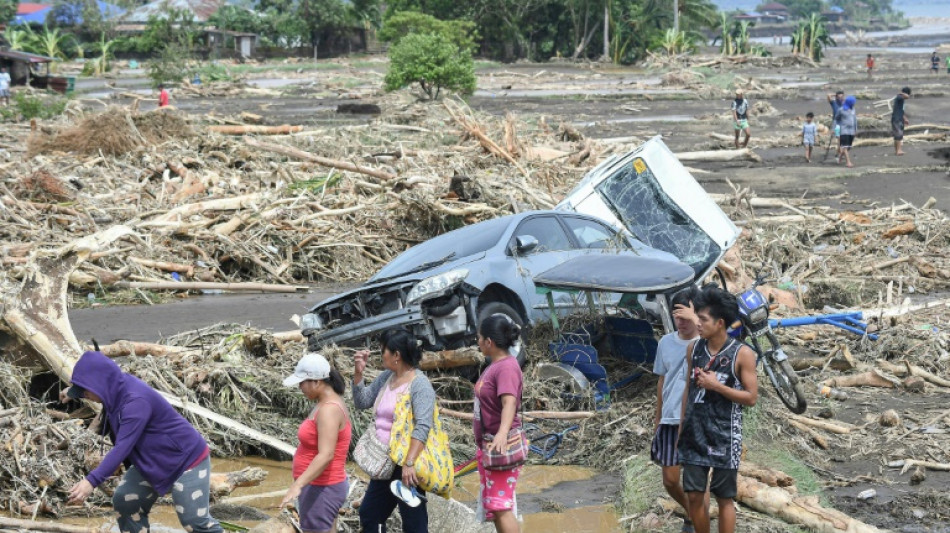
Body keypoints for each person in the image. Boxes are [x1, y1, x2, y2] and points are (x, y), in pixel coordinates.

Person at [61, 351, 223, 533]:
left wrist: (91, 482)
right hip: (154, 460)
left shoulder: (135, 402)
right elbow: (97, 390)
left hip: (187, 461)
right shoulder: (114, 388)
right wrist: (74, 392)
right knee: (126, 500)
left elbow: (122, 448)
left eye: (85, 391)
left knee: (193, 521)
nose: (85, 396)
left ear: (100, 385)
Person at [678, 287, 758, 533]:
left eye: (703, 319)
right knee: (693, 496)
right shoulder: (694, 349)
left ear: (720, 323)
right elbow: (688, 390)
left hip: (724, 434)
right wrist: (681, 427)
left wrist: (717, 386)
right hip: (694, 432)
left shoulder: (742, 354)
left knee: (724, 497)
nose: (697, 324)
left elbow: (751, 397)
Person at [353, 329, 436, 533]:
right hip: (385, 462)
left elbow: (423, 426)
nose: (382, 355)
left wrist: (409, 463)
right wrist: (358, 373)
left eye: (384, 351)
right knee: (370, 515)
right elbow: (362, 401)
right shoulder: (387, 377)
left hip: (407, 464)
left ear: (396, 355)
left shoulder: (420, 385)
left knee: (414, 524)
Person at [281, 352, 352, 533]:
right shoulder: (325, 402)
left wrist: (298, 485)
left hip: (323, 488)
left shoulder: (329, 409)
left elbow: (326, 454)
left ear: (317, 381)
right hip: (320, 487)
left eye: (302, 382)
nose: (300, 387)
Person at [652, 288, 700, 533]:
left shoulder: (706, 343)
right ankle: (692, 513)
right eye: (676, 317)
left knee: (695, 481)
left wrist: (697, 320)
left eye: (685, 317)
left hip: (696, 421)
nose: (680, 322)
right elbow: (662, 381)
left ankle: (696, 520)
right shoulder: (666, 342)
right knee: (670, 480)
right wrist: (658, 418)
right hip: (670, 419)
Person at [474, 314, 526, 533]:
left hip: (502, 445)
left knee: (500, 506)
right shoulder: (494, 366)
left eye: (479, 338)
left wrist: (502, 433)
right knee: (495, 507)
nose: (477, 342)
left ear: (489, 342)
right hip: (491, 445)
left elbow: (509, 402)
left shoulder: (506, 367)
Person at [835, 96, 857, 168]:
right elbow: (837, 118)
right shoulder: (841, 110)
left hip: (851, 131)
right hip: (844, 130)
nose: (854, 104)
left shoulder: (853, 109)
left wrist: (855, 129)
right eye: (853, 102)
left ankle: (840, 158)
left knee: (848, 147)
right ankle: (848, 162)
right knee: (845, 146)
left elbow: (855, 120)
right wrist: (838, 126)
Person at [892, 87, 911, 156]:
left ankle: (898, 150)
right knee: (898, 135)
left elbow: (901, 110)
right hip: (897, 119)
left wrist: (905, 119)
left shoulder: (901, 100)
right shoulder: (899, 97)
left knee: (898, 135)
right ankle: (898, 151)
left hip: (899, 118)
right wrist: (902, 93)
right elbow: (907, 96)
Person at [826, 90, 845, 159]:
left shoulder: (844, 103)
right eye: (839, 97)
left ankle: (839, 151)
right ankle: (839, 151)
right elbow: (828, 96)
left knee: (842, 138)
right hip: (836, 122)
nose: (841, 98)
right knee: (838, 137)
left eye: (842, 97)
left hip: (843, 122)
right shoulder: (834, 103)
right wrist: (835, 95)